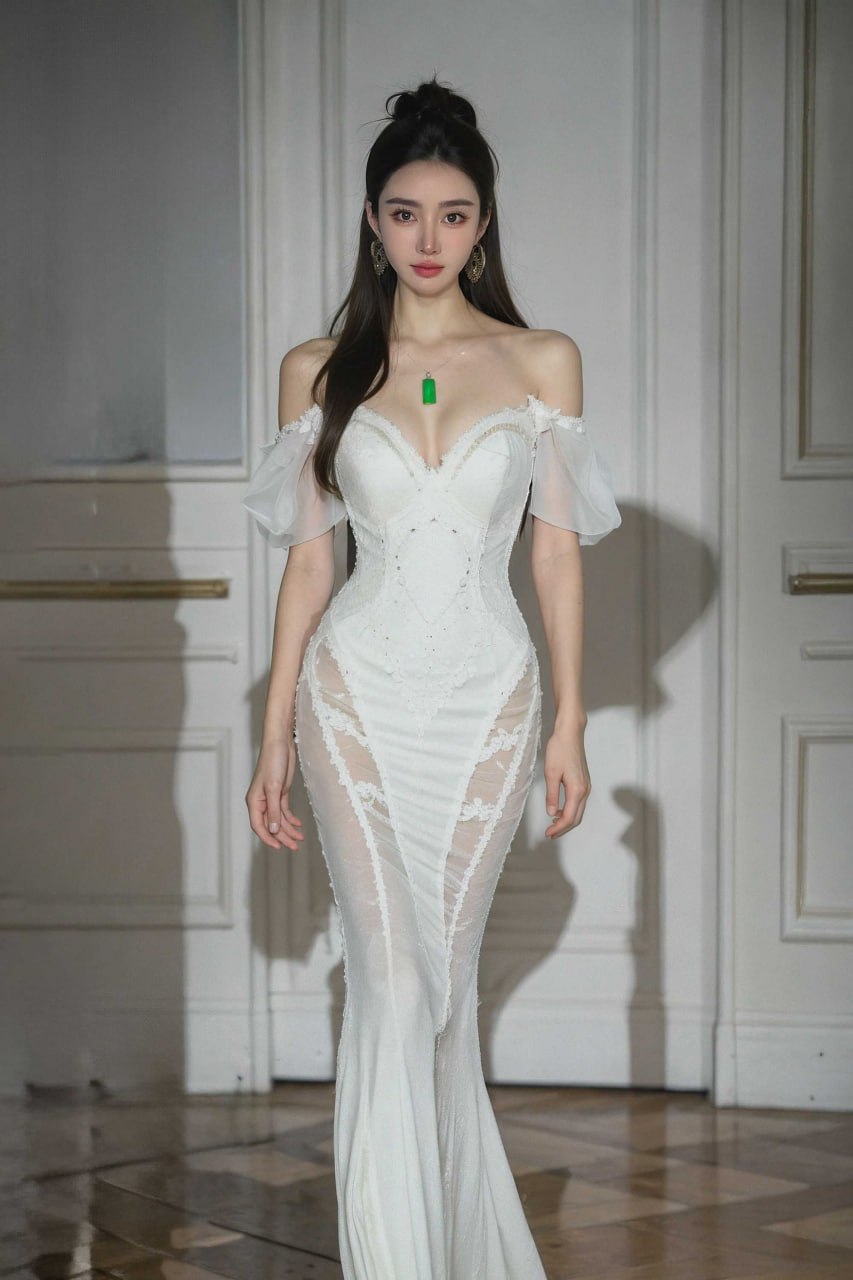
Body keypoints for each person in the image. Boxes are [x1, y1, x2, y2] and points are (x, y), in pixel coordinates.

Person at [243, 75, 621, 1280]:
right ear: (372, 219)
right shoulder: (318, 368)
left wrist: (570, 721)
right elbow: (311, 565)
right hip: (352, 695)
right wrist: (271, 734)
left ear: (483, 223)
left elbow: (553, 555)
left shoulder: (541, 360)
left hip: (487, 704)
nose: (428, 237)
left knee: (441, 992)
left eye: (453, 214)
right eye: (405, 212)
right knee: (393, 977)